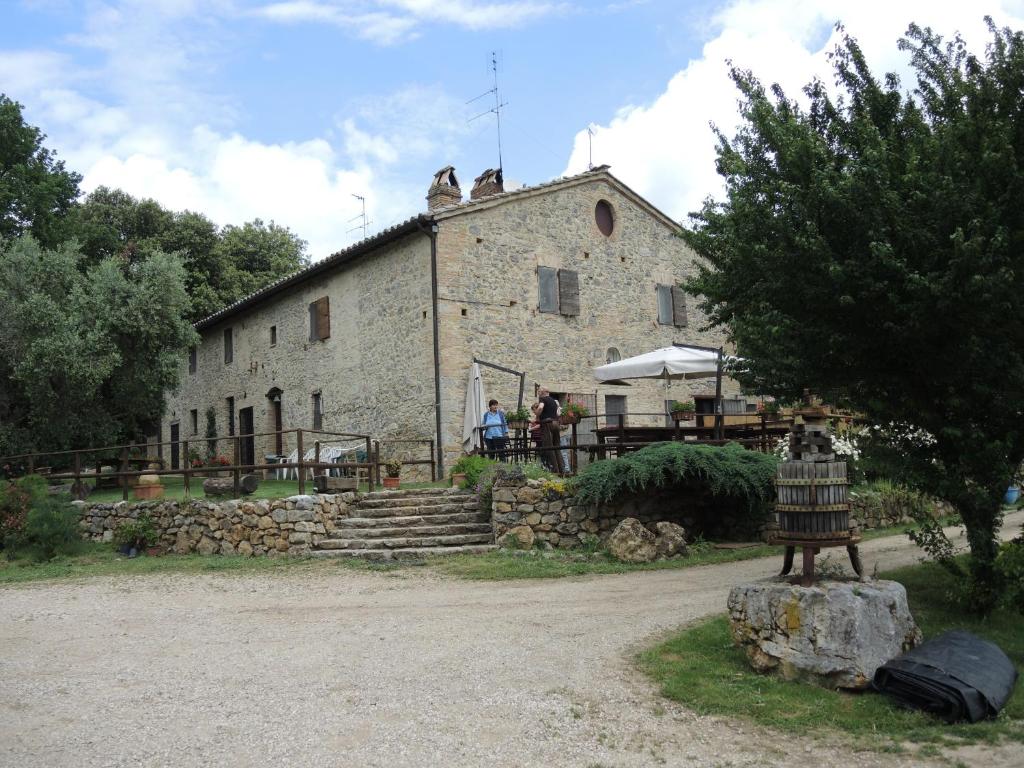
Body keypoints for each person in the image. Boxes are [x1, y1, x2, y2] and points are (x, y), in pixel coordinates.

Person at [537, 387, 565, 474]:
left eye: (539, 391)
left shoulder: (543, 399)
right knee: (557, 446)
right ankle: (562, 470)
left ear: (544, 392)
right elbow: (557, 413)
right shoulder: (554, 401)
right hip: (555, 423)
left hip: (547, 423)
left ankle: (555, 471)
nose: (538, 393)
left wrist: (537, 415)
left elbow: (541, 408)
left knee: (549, 447)